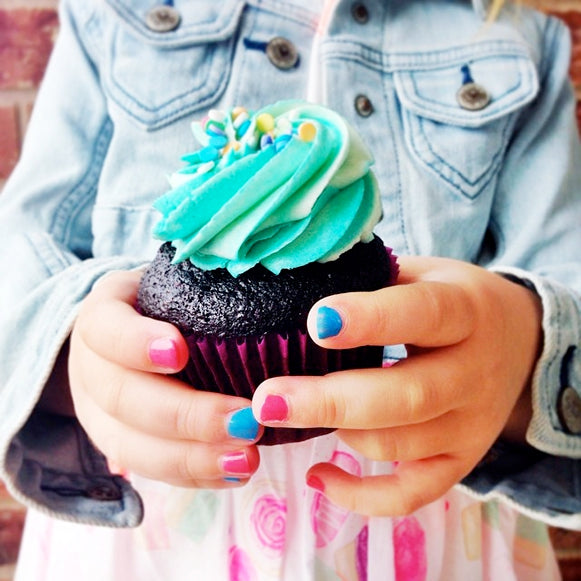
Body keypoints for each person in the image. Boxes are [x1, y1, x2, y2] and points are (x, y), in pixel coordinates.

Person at [0, 0, 580, 578]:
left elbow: (567, 282)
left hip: (430, 514)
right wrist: (75, 356)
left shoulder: (518, 42)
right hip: (151, 527)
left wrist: (521, 351)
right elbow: (20, 257)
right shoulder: (112, 12)